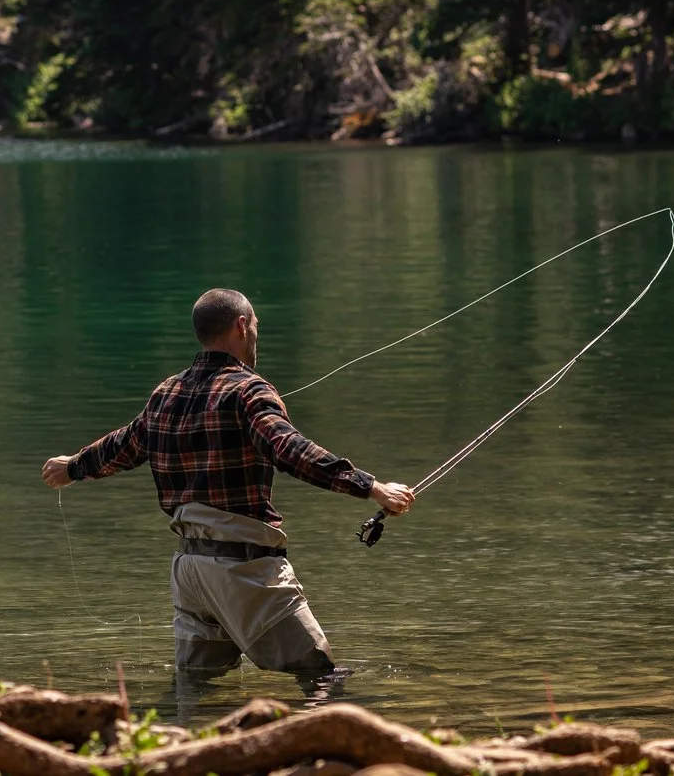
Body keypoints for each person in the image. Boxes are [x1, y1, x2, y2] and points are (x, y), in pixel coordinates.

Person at [41, 287, 416, 693]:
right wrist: (371, 487)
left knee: (197, 691)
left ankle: (174, 752)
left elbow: (123, 446)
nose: (256, 335)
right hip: (244, 569)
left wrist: (73, 467)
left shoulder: (165, 394)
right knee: (322, 676)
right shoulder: (249, 390)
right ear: (241, 326)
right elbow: (291, 450)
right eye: (255, 326)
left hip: (190, 572)